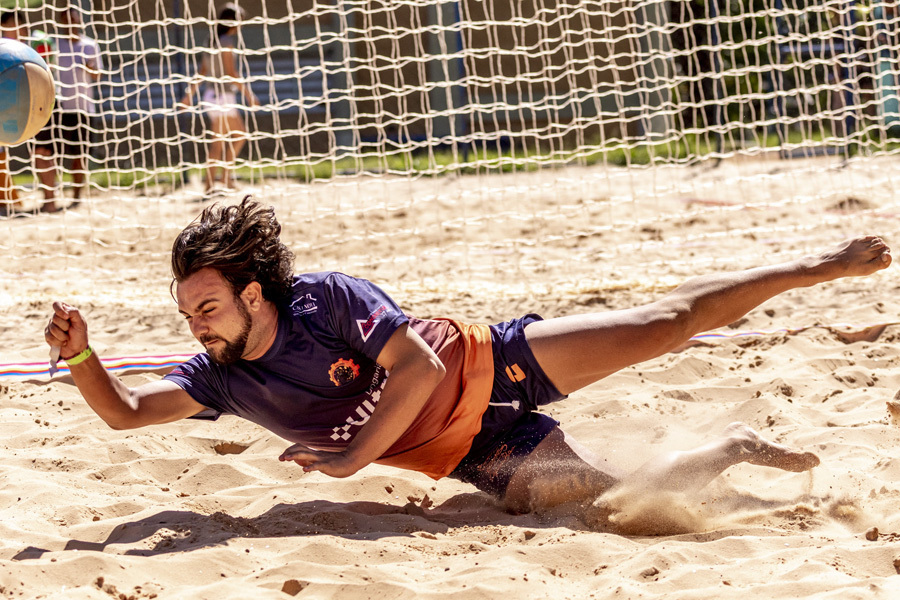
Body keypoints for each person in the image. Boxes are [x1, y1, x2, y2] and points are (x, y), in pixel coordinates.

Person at [44, 197, 892, 518]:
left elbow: (413, 367)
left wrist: (348, 456)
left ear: (253, 295)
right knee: (621, 507)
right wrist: (84, 358)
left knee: (666, 322)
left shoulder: (324, 298)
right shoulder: (219, 380)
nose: (196, 323)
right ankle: (732, 455)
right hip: (470, 450)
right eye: (186, 311)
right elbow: (123, 412)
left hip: (489, 367)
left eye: (208, 306)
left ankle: (815, 266)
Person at [178, 4, 258, 197]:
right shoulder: (226, 42)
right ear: (232, 22)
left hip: (211, 97)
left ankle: (224, 180)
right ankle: (213, 184)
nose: (241, 25)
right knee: (225, 141)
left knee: (235, 137)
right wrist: (249, 95)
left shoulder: (210, 42)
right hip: (223, 97)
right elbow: (231, 73)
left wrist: (188, 96)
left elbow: (202, 72)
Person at [32, 6, 101, 212]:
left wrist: (88, 67)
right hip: (58, 107)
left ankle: (77, 196)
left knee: (79, 155)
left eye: (73, 19)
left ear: (80, 20)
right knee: (47, 152)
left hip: (83, 107)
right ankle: (50, 198)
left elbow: (98, 75)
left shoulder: (90, 45)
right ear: (62, 23)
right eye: (66, 20)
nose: (70, 23)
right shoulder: (55, 45)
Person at [0, 10, 28, 216]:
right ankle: (7, 198)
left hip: (14, 107)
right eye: (13, 24)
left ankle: (7, 197)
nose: (19, 29)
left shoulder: (29, 50)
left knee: (2, 153)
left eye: (21, 25)